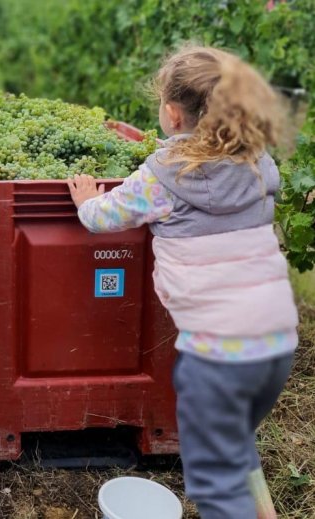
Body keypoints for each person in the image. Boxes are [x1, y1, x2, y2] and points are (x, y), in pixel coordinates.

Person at [67, 46, 297, 519]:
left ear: (172, 114)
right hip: (274, 344)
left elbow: (102, 218)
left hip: (217, 357)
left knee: (213, 485)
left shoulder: (165, 176)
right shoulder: (258, 162)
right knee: (232, 445)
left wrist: (87, 199)